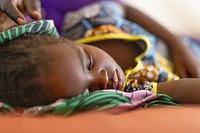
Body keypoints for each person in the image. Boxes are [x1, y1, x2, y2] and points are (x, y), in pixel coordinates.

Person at [0, 21, 200, 109]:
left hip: (184, 43)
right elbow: (178, 89)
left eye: (89, 63)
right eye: (88, 91)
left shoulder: (87, 23)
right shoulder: (129, 90)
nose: (102, 79)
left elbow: (126, 9)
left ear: (64, 40)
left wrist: (177, 45)